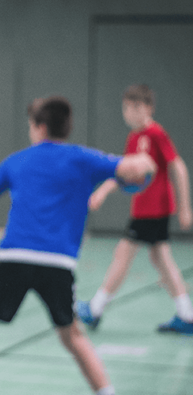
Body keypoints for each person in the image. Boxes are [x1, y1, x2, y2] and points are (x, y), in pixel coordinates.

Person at [0, 96, 156, 395]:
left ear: (40, 128)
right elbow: (135, 167)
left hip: (14, 257)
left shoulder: (17, 160)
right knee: (72, 336)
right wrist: (148, 166)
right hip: (59, 264)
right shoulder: (84, 159)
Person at [77, 84, 193, 334]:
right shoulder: (134, 138)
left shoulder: (155, 134)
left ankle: (96, 309)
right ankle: (186, 314)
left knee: (124, 253)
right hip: (143, 209)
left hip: (154, 209)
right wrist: (102, 191)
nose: (130, 113)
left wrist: (185, 207)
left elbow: (178, 167)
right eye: (126, 108)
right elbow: (124, 172)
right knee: (160, 258)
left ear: (149, 108)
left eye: (136, 107)